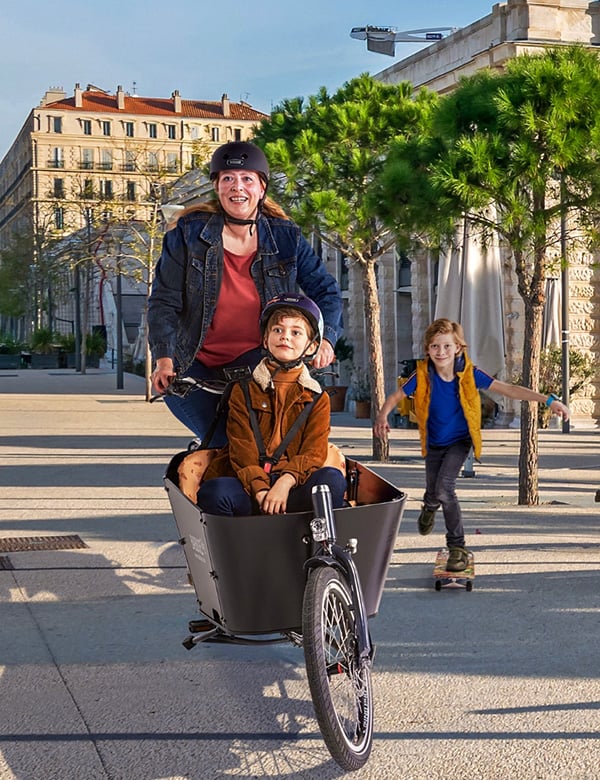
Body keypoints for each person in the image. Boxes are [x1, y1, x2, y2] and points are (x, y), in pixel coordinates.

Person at [147, 141, 343, 446]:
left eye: (247, 179)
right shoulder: (187, 235)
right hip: (193, 368)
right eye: (227, 178)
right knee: (225, 444)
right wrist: (164, 359)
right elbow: (164, 302)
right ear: (217, 187)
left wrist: (326, 339)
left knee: (271, 446)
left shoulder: (285, 237)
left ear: (261, 188)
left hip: (258, 365)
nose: (237, 187)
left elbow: (326, 291)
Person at [373, 318, 570, 572]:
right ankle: (429, 507)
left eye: (446, 346)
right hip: (434, 443)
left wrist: (548, 400)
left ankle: (457, 547)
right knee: (434, 491)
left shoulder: (470, 373)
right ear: (428, 350)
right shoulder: (423, 374)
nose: (440, 352)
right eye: (434, 347)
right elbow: (396, 396)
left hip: (460, 441)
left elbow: (508, 389)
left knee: (445, 489)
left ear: (458, 348)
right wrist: (381, 416)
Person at [195, 294, 347, 516]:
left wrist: (285, 483)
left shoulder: (317, 398)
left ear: (312, 346)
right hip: (250, 486)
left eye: (296, 332)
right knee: (214, 492)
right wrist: (260, 489)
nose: (285, 337)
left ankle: (320, 547)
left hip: (293, 485)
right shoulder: (243, 389)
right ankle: (235, 548)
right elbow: (241, 448)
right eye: (277, 330)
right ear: (265, 340)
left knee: (331, 481)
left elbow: (313, 453)